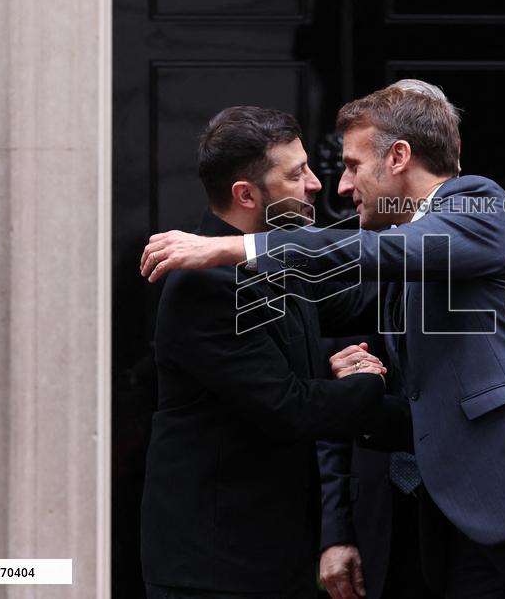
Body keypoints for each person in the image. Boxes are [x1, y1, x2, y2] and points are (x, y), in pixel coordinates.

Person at [141, 86, 505, 598]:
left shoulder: (481, 209)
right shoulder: (402, 252)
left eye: (351, 165)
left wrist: (235, 247)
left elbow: (357, 254)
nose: (341, 186)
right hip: (466, 520)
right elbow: (311, 306)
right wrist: (342, 384)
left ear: (398, 158)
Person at [140, 105, 399, 599]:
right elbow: (287, 408)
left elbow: (363, 301)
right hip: (217, 568)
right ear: (246, 194)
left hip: (268, 555)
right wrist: (366, 382)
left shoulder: (272, 255)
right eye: (296, 173)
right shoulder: (206, 285)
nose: (316, 184)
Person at [317, 80, 453, 599]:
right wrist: (336, 532)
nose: (343, 187)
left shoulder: (492, 235)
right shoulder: (354, 250)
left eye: (353, 166)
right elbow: (336, 398)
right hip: (379, 503)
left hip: (474, 512)